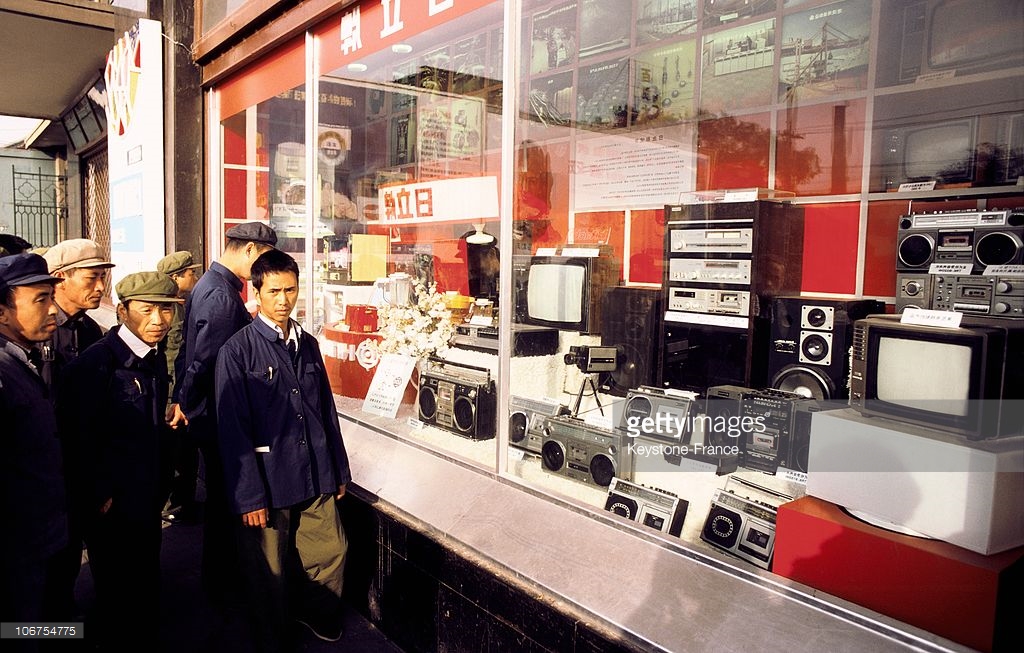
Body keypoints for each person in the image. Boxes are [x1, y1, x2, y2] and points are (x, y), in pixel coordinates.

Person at [216, 249, 351, 651]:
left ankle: (317, 612)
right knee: (268, 571)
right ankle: (271, 638)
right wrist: (248, 497)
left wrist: (338, 470)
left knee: (331, 550)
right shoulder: (236, 352)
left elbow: (325, 409)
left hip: (314, 471)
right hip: (266, 481)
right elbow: (232, 431)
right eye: (273, 291)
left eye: (290, 290)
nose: (283, 300)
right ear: (255, 293)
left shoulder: (307, 344)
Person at [56, 271, 184, 648]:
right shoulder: (95, 365)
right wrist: (98, 494)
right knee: (115, 589)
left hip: (146, 494)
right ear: (124, 311)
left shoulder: (154, 359)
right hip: (112, 502)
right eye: (147, 310)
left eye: (167, 311)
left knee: (144, 579)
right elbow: (76, 436)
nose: (158, 321)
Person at [170, 221, 277, 606]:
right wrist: (189, 401)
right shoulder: (220, 296)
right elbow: (203, 360)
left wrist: (185, 399)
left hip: (208, 411)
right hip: (218, 415)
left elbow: (188, 352)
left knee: (221, 499)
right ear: (249, 251)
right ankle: (223, 584)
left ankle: (221, 580)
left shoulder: (212, 287)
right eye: (264, 259)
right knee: (225, 502)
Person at [40, 238, 115, 623]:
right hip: (51, 478)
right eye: (91, 277)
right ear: (59, 279)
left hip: (87, 473)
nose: (100, 287)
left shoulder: (89, 329)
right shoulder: (38, 333)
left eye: (103, 277)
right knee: (53, 575)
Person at [0, 253, 66, 653]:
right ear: (3, 312)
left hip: (39, 539)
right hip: (15, 548)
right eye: (40, 299)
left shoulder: (24, 359)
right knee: (19, 630)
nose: (53, 310)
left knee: (46, 625)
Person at [157, 250, 203, 524]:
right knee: (173, 451)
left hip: (179, 389)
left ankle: (182, 502)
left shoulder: (181, 305)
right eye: (190, 273)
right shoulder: (168, 309)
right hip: (172, 393)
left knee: (184, 450)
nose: (194, 277)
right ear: (176, 278)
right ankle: (172, 505)